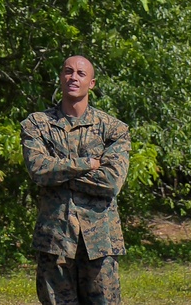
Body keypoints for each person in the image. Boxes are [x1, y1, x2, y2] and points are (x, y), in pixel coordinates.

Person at [20, 55, 130, 305]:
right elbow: (38, 169)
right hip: (55, 239)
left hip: (100, 242)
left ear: (91, 83)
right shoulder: (38, 124)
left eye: (81, 73)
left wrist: (59, 173)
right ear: (61, 77)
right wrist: (86, 164)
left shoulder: (113, 129)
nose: (74, 77)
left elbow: (111, 181)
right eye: (68, 72)